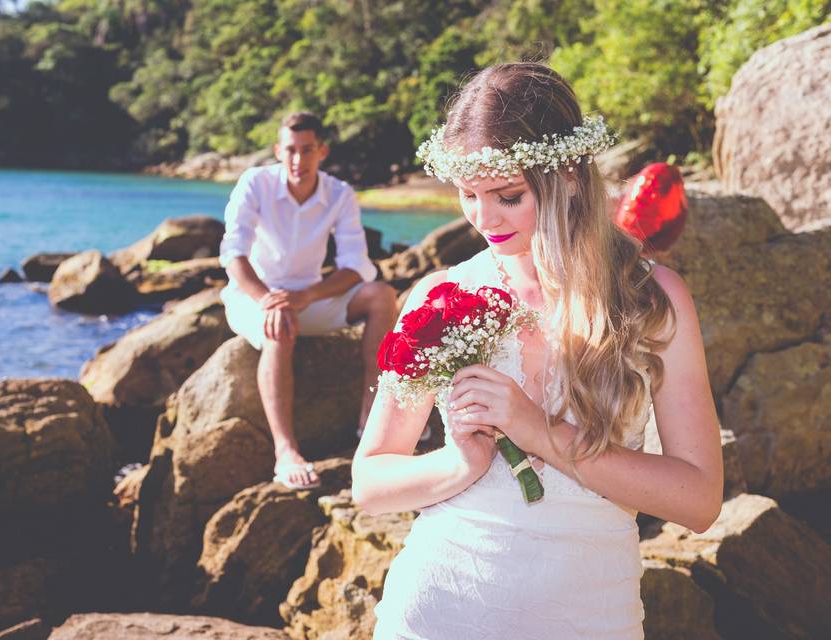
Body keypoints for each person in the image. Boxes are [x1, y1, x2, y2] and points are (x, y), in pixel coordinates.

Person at [352, 63, 723, 638]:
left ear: (569, 174)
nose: (484, 218)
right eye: (468, 195)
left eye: (508, 196)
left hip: (588, 615)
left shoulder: (652, 298)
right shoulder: (441, 298)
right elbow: (370, 484)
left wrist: (539, 431)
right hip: (436, 609)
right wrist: (458, 464)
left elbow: (699, 502)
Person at [219, 112, 398, 490]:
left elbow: (357, 267)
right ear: (277, 151)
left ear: (322, 151)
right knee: (279, 324)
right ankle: (286, 452)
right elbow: (233, 255)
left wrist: (308, 295)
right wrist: (269, 300)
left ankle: (372, 420)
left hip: (310, 298)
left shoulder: (339, 194)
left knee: (382, 296)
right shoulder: (255, 183)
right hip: (254, 298)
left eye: (307, 150)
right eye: (290, 151)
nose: (298, 160)